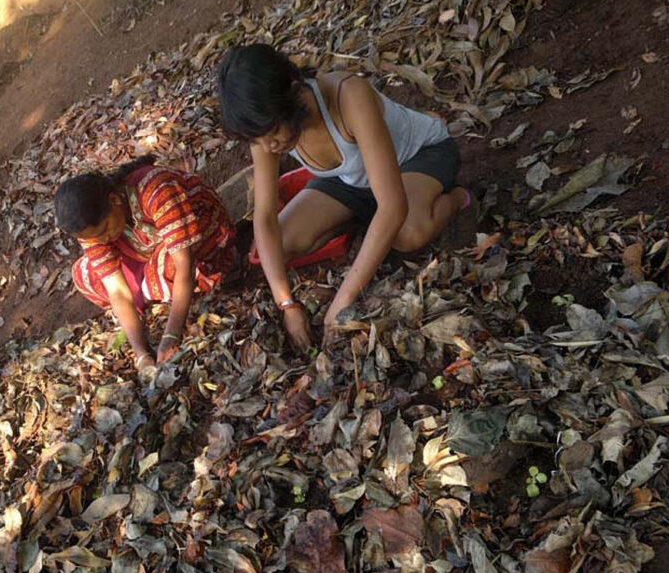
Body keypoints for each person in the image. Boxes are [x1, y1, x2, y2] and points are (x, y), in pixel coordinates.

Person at [217, 43, 469, 350]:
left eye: (271, 133)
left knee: (406, 234)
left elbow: (392, 206)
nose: (267, 146)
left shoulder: (348, 96)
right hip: (349, 179)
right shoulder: (265, 133)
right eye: (257, 138)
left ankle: (457, 199)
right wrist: (287, 304)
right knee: (277, 245)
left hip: (417, 158)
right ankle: (366, 225)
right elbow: (265, 217)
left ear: (293, 93)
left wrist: (343, 300)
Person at [55, 155, 235, 370]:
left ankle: (153, 290)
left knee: (173, 267)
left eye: (104, 230)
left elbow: (183, 265)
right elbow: (117, 291)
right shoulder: (92, 231)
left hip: (197, 237)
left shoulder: (156, 190)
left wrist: (170, 336)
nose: (103, 239)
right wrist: (141, 354)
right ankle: (152, 290)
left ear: (114, 200)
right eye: (97, 237)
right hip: (146, 253)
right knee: (84, 275)